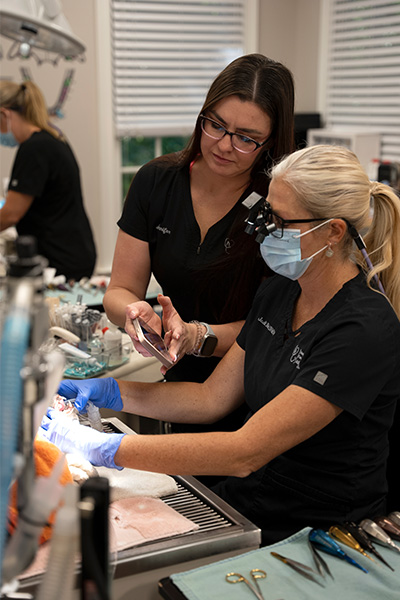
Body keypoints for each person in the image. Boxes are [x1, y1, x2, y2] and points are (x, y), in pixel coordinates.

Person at [41, 144, 400, 545]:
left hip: (322, 527)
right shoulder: (281, 293)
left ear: (332, 231)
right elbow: (210, 399)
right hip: (253, 499)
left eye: (280, 221)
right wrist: (109, 392)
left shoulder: (363, 329)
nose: (265, 231)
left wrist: (103, 447)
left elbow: (243, 452)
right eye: (267, 215)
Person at [102, 54, 295, 404]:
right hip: (180, 382)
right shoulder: (156, 182)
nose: (223, 145)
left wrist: (197, 336)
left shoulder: (281, 204)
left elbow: (275, 324)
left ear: (271, 142)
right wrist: (136, 312)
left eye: (246, 139)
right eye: (216, 125)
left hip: (257, 388)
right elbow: (120, 289)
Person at [0, 80, 96, 280]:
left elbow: (10, 215)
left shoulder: (34, 149)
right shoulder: (52, 137)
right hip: (72, 252)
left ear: (4, 114)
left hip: (60, 260)